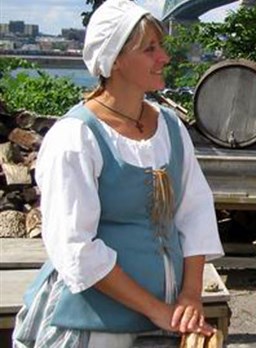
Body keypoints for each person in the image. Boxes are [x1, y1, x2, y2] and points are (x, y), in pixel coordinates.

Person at [12, 0, 224, 346]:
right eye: (149, 49)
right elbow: (75, 248)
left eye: (161, 47)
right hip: (94, 327)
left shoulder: (169, 126)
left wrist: (189, 296)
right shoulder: (75, 137)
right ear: (115, 60)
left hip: (166, 321)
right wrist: (156, 309)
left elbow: (195, 212)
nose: (164, 58)